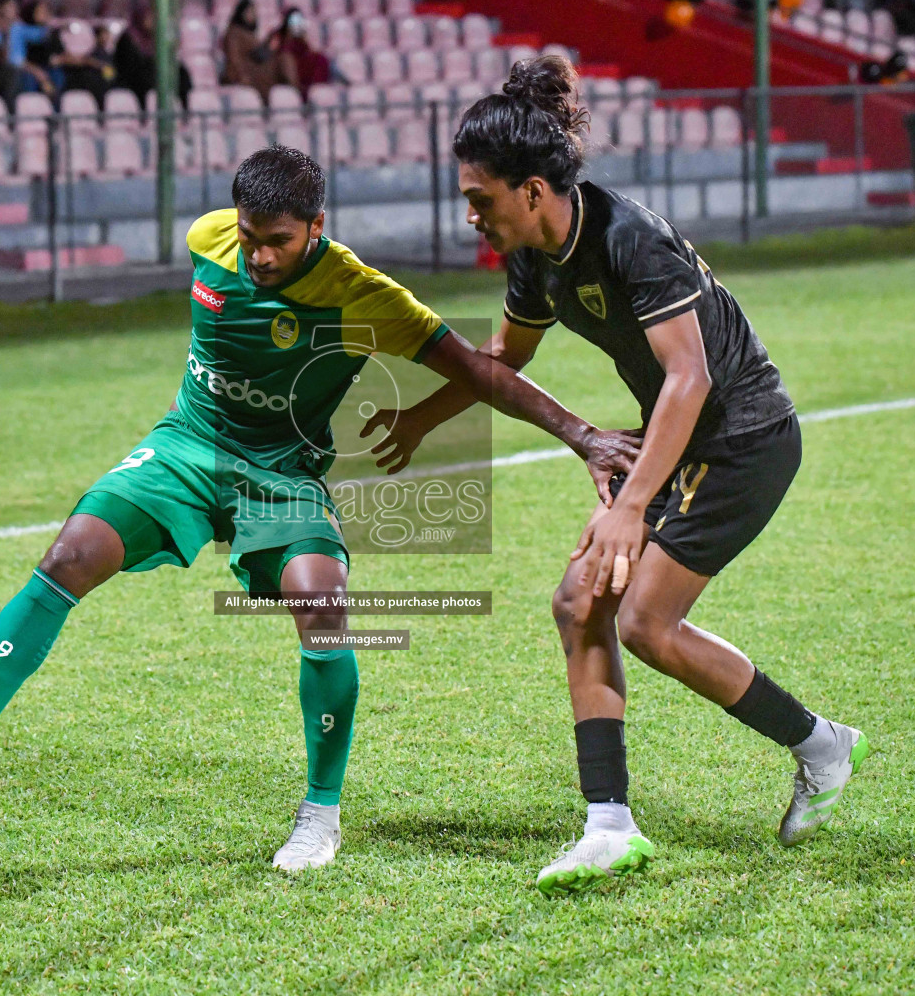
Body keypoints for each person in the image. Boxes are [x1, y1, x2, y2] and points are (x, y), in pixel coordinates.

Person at [0, 145, 642, 874]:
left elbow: (480, 369)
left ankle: (321, 815)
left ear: (316, 226)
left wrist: (583, 436)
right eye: (251, 237)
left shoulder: (362, 294)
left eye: (279, 242)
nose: (259, 257)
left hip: (284, 474)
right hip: (188, 445)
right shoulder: (207, 237)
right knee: (67, 556)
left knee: (321, 601)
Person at [364, 58, 869, 896]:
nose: (469, 215)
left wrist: (630, 507)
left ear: (532, 190)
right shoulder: (535, 258)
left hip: (744, 441)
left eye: (479, 197)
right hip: (680, 444)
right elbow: (502, 363)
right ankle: (610, 824)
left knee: (643, 622)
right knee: (578, 604)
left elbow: (691, 378)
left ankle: (821, 745)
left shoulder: (630, 237)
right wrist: (420, 420)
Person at [115, 6, 193, 109]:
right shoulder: (129, 37)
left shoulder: (152, 37)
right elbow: (130, 64)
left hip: (152, 71)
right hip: (134, 77)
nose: (151, 22)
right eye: (148, 18)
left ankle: (185, 110)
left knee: (181, 72)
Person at [221, 0, 297, 103]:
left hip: (258, 71)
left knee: (285, 58)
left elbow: (258, 54)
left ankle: (294, 94)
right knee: (284, 60)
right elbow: (234, 60)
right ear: (241, 13)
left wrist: (269, 47)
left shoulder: (249, 33)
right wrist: (242, 77)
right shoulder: (234, 33)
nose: (253, 15)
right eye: (250, 12)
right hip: (247, 75)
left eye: (254, 12)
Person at [269, 8, 337, 98]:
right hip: (290, 65)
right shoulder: (279, 36)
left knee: (322, 59)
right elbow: (275, 51)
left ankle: (317, 90)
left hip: (302, 63)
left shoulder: (301, 37)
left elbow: (306, 50)